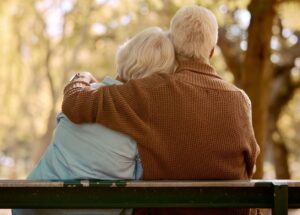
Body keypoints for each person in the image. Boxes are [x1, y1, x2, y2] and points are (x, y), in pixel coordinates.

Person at [62, 5, 260, 215]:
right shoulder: (240, 100)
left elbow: (75, 104)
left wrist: (82, 76)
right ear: (212, 50)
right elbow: (250, 165)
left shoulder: (151, 91)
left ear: (172, 44)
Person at [12, 26, 176, 215]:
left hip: (35, 207)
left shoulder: (81, 97)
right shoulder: (146, 121)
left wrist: (80, 78)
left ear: (125, 57)